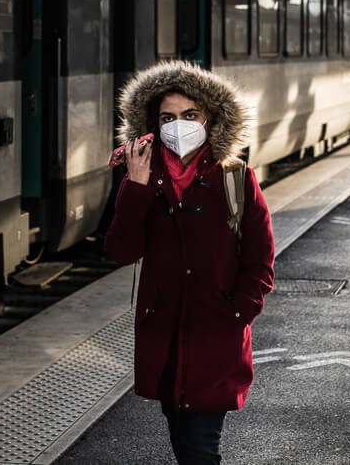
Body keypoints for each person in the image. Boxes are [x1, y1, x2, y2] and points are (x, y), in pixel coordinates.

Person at [104, 60, 275, 465]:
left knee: (200, 450)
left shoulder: (236, 179)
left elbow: (261, 263)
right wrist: (137, 189)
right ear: (151, 123)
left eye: (190, 115)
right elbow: (121, 251)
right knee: (184, 447)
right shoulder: (143, 179)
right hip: (163, 338)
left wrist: (235, 314)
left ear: (210, 119)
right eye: (167, 117)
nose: (178, 125)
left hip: (215, 338)